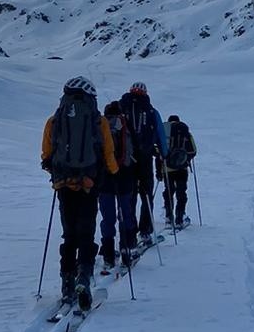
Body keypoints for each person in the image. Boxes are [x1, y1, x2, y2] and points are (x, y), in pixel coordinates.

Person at [41, 76, 117, 310]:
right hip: (88, 184)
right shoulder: (99, 121)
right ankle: (83, 277)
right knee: (86, 233)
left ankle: (67, 282)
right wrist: (112, 173)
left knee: (69, 235)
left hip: (63, 184)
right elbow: (108, 153)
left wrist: (54, 170)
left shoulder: (54, 120)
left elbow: (46, 153)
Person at [117, 81, 168, 245]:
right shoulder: (151, 111)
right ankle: (145, 231)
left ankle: (129, 233)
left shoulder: (120, 108)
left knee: (129, 196)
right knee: (146, 195)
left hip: (126, 160)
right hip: (145, 158)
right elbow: (160, 134)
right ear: (145, 93)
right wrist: (164, 154)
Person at [98, 100, 139, 271]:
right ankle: (126, 249)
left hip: (104, 178)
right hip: (125, 176)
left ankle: (108, 254)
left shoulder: (100, 126)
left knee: (108, 217)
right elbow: (135, 149)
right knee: (125, 213)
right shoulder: (125, 125)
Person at [161, 113, 198, 228]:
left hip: (167, 168)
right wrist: (185, 160)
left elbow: (158, 151)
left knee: (169, 191)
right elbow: (193, 151)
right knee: (181, 192)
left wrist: (159, 170)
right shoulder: (185, 132)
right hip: (182, 168)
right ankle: (179, 218)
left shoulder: (164, 133)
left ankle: (168, 217)